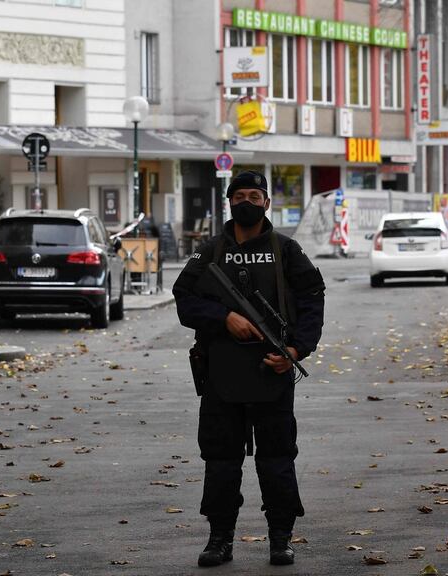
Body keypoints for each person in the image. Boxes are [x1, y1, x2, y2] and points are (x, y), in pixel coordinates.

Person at [173, 170, 325, 567]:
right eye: (239, 195)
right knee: (221, 462)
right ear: (229, 202)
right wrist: (223, 318)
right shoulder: (209, 252)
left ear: (266, 203)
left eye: (254, 197)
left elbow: (312, 298)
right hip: (222, 378)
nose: (246, 203)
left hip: (272, 373)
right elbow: (184, 298)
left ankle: (281, 538)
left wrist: (295, 349)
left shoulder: (286, 250)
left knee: (277, 461)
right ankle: (220, 538)